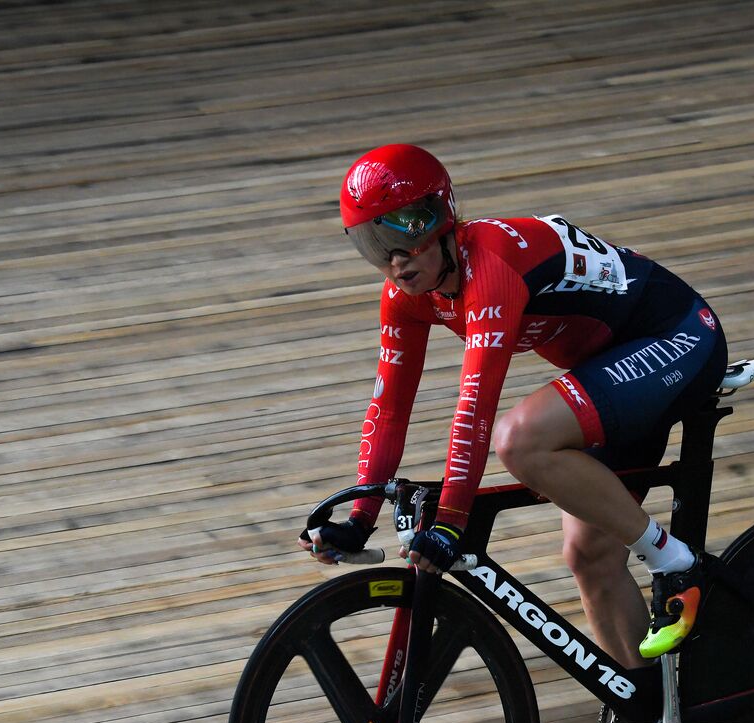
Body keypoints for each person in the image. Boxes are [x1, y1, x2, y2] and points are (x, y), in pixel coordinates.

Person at [301, 142, 727, 670]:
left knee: (520, 439)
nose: (393, 261)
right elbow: (389, 410)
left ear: (437, 218)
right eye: (372, 244)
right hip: (615, 365)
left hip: (678, 336)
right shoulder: (406, 296)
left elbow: (475, 409)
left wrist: (452, 521)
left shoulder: (492, 267)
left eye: (398, 238)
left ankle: (678, 565)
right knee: (590, 558)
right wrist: (360, 517)